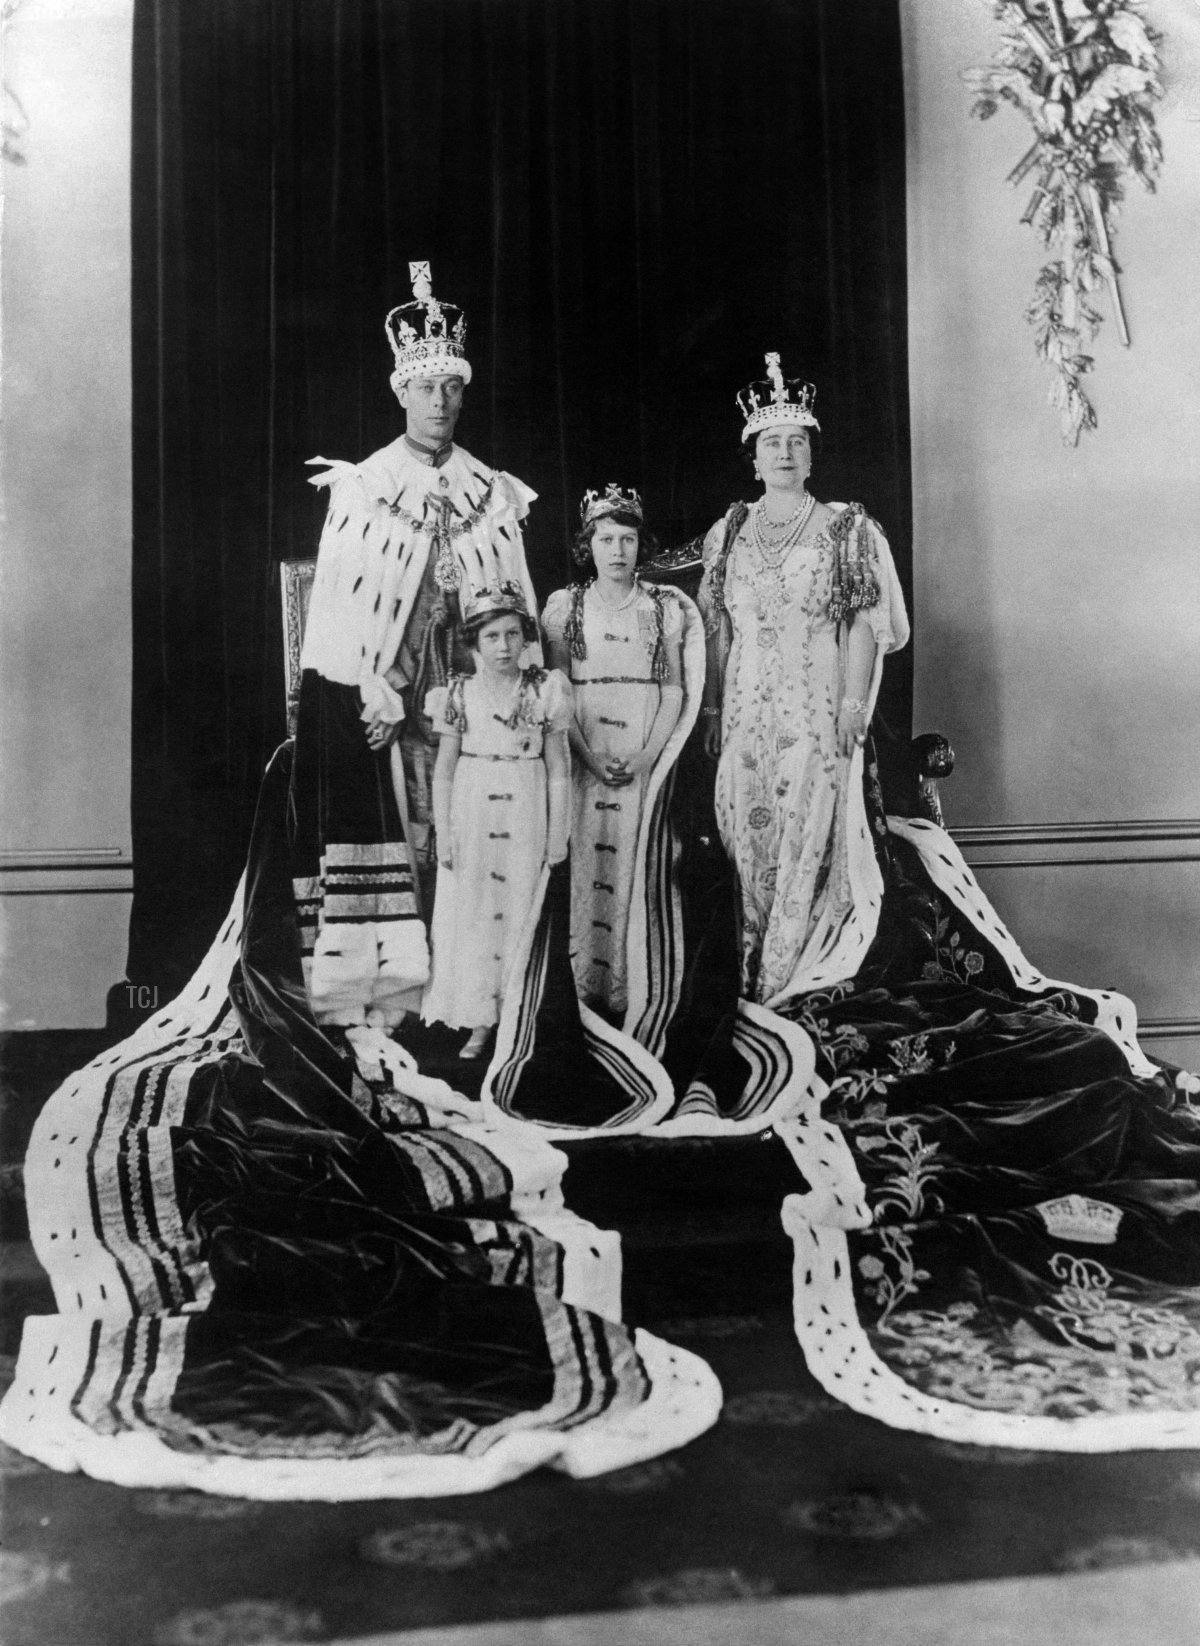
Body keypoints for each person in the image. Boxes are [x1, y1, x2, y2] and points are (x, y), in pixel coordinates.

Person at [294, 262, 540, 1032]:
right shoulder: (363, 489)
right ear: (401, 391)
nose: (440, 402)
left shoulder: (492, 491)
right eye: (426, 388)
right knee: (408, 833)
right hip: (389, 702)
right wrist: (371, 692)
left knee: (470, 838)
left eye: (452, 388)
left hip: (473, 698)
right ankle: (396, 991)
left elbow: (519, 612)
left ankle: (473, 998)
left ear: (463, 393)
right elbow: (335, 619)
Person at [697, 353, 909, 1007]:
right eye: (771, 443)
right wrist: (710, 714)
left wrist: (852, 703)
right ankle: (754, 965)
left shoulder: (848, 528)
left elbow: (865, 625)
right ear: (752, 456)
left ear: (811, 455)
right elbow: (716, 632)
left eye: (795, 442)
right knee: (747, 822)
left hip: (817, 710)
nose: (784, 453)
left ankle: (790, 980)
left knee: (807, 825)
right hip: (744, 712)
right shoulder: (728, 531)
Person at [543, 487, 686, 1017]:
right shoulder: (566, 606)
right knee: (586, 857)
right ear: (589, 545)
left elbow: (673, 689)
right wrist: (584, 754)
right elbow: (558, 689)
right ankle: (585, 988)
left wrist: (650, 753)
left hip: (642, 746)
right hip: (586, 751)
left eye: (627, 539)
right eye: (606, 539)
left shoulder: (662, 607)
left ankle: (632, 991)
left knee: (637, 860)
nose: (618, 551)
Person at [421, 584, 572, 1057]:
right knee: (476, 912)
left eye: (512, 635)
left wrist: (557, 836)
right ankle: (479, 1019)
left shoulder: (545, 689)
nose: (504, 646)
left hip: (525, 806)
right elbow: (443, 772)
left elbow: (560, 770)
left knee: (521, 908)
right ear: (473, 643)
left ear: (526, 637)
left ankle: (518, 1015)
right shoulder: (457, 693)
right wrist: (444, 834)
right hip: (473, 807)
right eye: (491, 637)